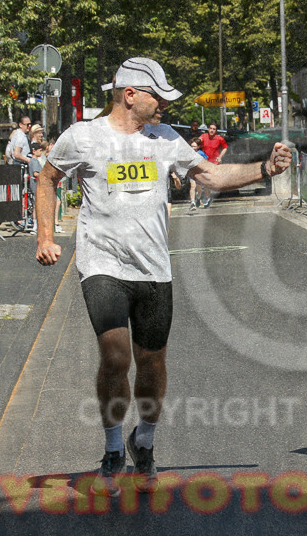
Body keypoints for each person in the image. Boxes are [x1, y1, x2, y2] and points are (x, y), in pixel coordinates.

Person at [34, 56, 293, 489]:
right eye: (159, 96)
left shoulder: (166, 139)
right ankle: (113, 447)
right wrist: (46, 236)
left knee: (151, 363)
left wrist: (264, 168)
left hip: (153, 267)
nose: (165, 105)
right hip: (102, 264)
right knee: (115, 357)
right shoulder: (83, 137)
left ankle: (145, 441)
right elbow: (47, 179)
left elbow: (210, 175)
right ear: (130, 94)